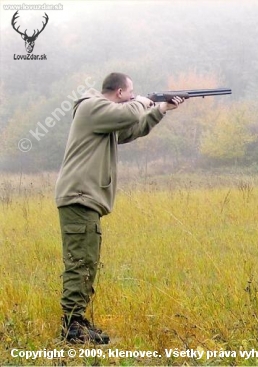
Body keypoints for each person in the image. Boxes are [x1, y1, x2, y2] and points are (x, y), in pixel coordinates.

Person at [55, 72, 184, 344]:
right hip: (79, 196)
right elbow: (128, 115)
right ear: (120, 93)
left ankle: (76, 321)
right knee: (80, 262)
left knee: (87, 260)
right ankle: (72, 327)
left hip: (85, 198)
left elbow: (131, 129)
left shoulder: (104, 118)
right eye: (131, 91)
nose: (134, 95)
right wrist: (143, 101)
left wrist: (161, 108)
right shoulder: (91, 106)